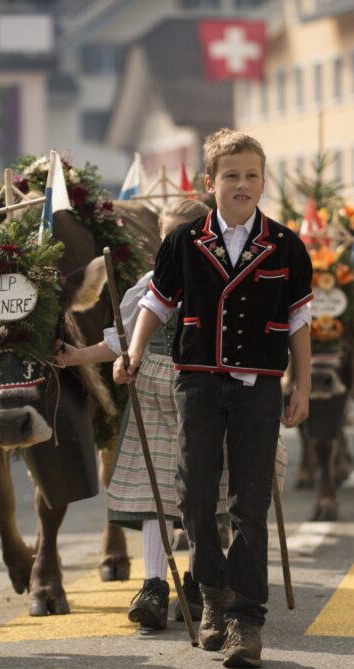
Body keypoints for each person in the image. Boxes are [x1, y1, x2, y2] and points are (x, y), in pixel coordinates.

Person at [117, 129, 313, 669]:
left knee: (250, 504)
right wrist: (132, 354)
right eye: (231, 175)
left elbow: (299, 320)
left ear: (263, 181)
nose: (242, 184)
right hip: (198, 382)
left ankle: (247, 621)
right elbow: (155, 306)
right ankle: (210, 597)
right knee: (194, 498)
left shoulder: (286, 244)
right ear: (211, 183)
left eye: (252, 175)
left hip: (260, 386)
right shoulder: (183, 242)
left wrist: (305, 383)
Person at [60, 198, 288, 632]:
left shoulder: (233, 279)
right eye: (165, 238)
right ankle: (152, 585)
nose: (172, 245)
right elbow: (124, 340)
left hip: (213, 393)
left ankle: (201, 581)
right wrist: (76, 357)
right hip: (156, 398)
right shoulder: (150, 282)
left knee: (214, 491)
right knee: (156, 490)